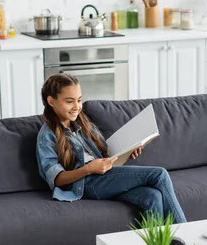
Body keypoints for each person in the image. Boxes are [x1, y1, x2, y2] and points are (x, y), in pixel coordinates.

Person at [36, 73, 187, 224]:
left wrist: (128, 152)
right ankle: (186, 234)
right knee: (159, 175)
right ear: (51, 101)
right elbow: (56, 179)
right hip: (87, 182)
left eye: (79, 100)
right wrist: (88, 169)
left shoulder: (81, 123)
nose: (77, 107)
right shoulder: (47, 135)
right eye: (69, 101)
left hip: (105, 176)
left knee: (152, 197)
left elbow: (106, 154)